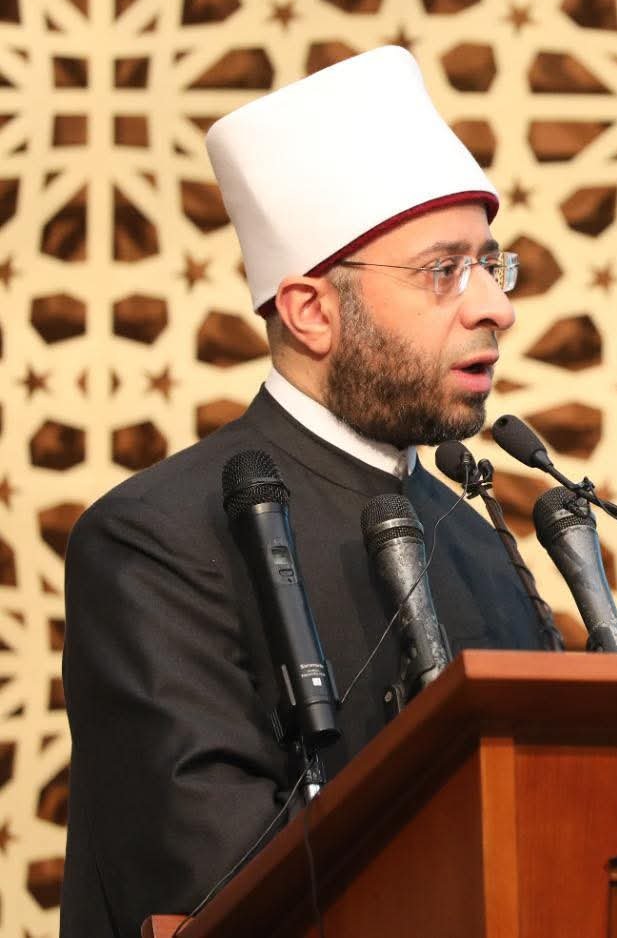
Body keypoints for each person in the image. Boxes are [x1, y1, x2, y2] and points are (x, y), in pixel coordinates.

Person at [59, 47, 562, 937]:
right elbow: (214, 881)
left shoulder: (477, 542)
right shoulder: (157, 541)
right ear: (311, 311)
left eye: (492, 264)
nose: (496, 306)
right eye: (444, 269)